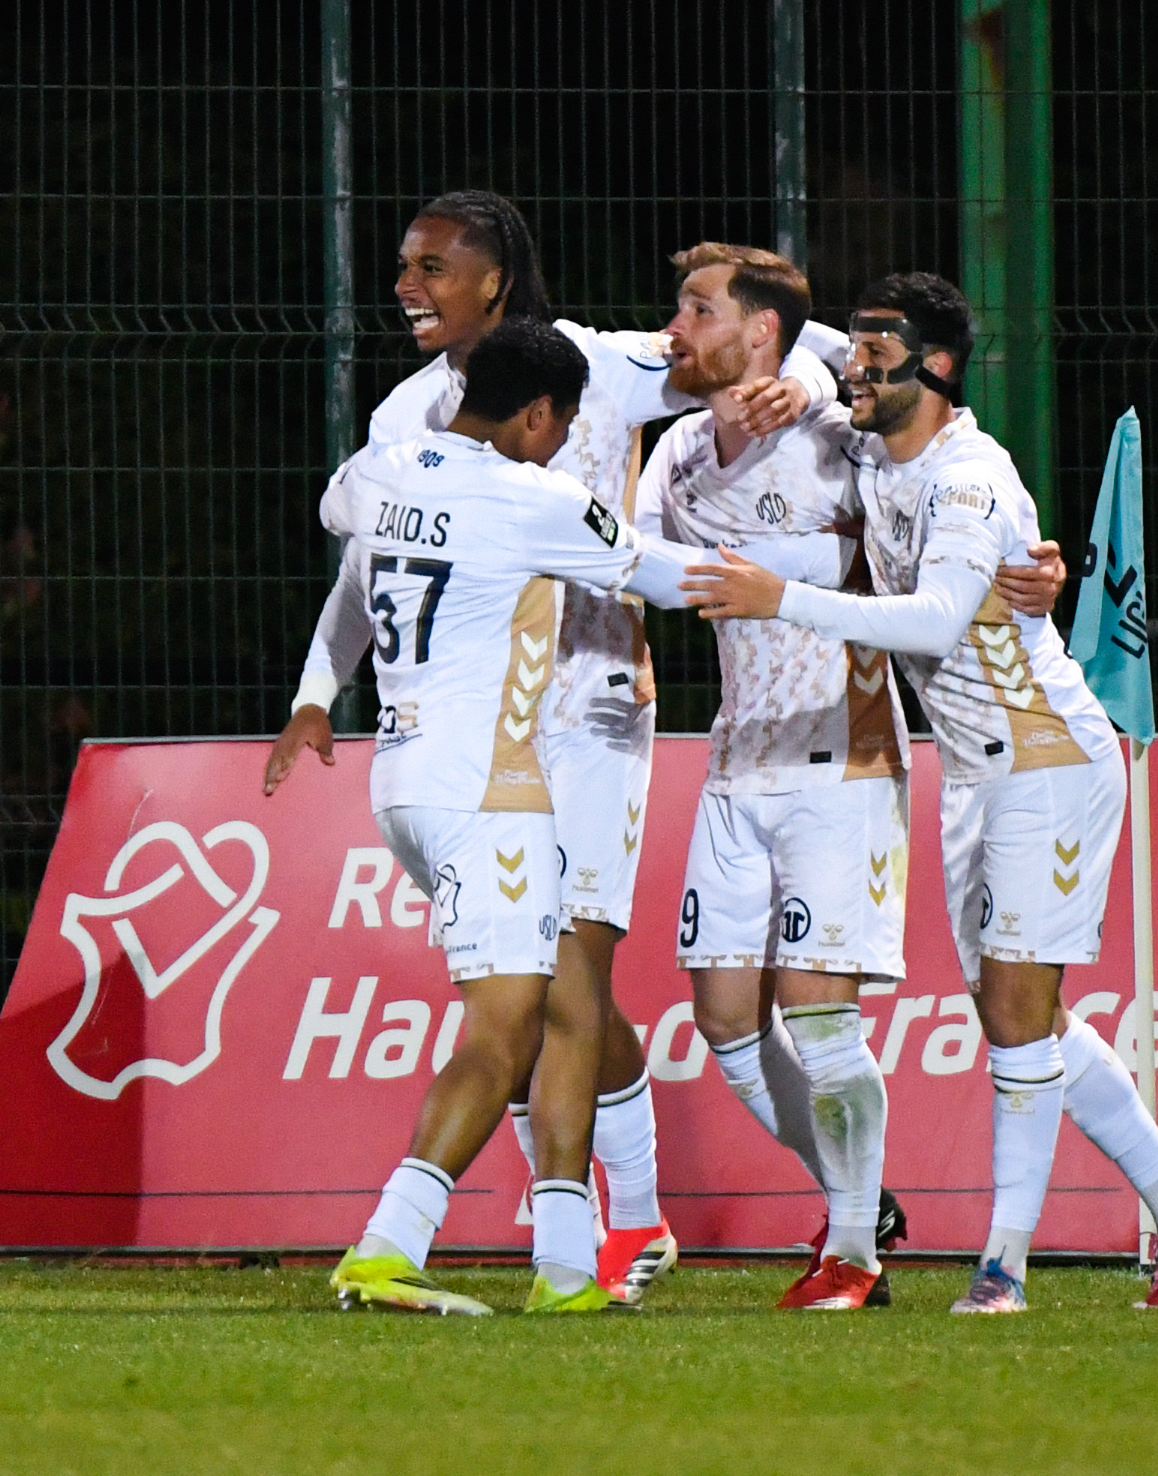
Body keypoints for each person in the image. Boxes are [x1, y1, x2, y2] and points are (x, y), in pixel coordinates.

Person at [267, 190, 837, 1305]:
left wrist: (803, 383)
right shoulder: (431, 427)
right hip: (487, 753)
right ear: (539, 422)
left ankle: (605, 1235)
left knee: (560, 988)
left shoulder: (585, 365)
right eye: (406, 265)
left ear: (495, 277)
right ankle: (577, 1238)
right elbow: (368, 573)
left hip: (584, 715)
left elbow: (762, 340)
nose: (408, 285)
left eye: (432, 267)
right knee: (544, 998)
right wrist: (315, 686)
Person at [688, 273, 1158, 1312]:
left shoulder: (967, 479)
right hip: (972, 771)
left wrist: (782, 599)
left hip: (1048, 761)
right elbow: (810, 340)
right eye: (852, 348)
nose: (854, 366)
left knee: (1018, 1026)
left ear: (936, 368)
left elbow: (937, 621)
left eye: (877, 351)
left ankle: (1002, 1270)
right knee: (1012, 1014)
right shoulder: (871, 444)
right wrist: (804, 347)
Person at [320, 319, 713, 1315]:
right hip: (488, 788)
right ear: (538, 414)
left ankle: (567, 1267)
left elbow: (337, 512)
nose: (563, 440)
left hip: (400, 777)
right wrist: (785, 592)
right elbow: (660, 578)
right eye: (565, 423)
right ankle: (386, 1247)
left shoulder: (380, 466)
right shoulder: (532, 496)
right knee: (503, 1034)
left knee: (558, 1007)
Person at [635, 242, 911, 1310]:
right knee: (722, 1021)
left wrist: (816, 365)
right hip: (735, 761)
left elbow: (917, 374)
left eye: (697, 307)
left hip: (839, 760)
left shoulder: (840, 430)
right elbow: (650, 575)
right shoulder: (675, 453)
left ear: (760, 331)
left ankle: (850, 1251)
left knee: (819, 1021)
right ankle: (859, 1197)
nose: (676, 327)